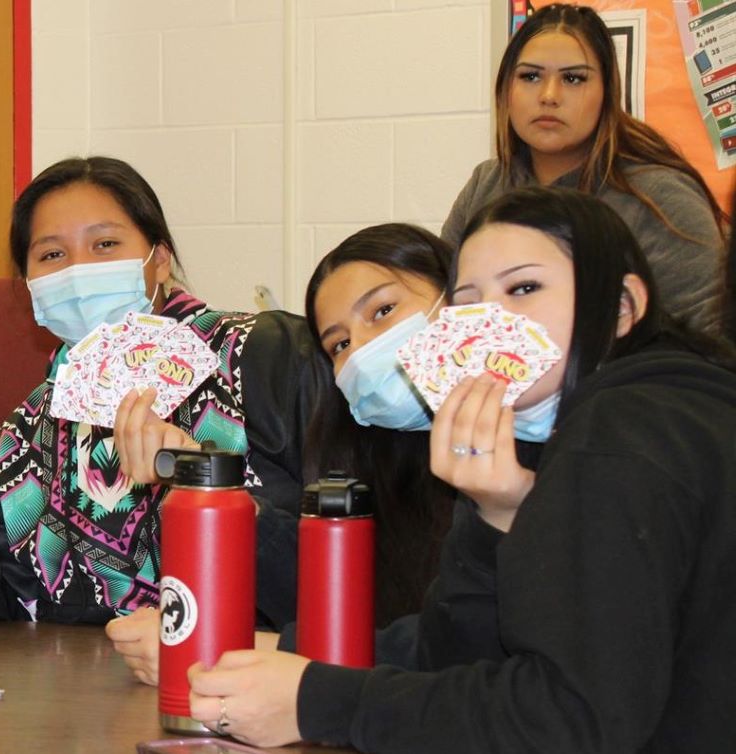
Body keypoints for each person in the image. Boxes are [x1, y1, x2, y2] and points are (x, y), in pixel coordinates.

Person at [180, 186, 736, 751]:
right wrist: (499, 515)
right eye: (469, 305)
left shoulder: (624, 428)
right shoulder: (566, 435)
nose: (490, 323)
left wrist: (318, 703)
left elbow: (569, 721)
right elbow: (457, 655)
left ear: (621, 308)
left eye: (523, 288)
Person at [0, 156, 323, 628]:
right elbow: (3, 635)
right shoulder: (19, 441)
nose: (79, 272)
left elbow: (351, 580)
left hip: (253, 683)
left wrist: (212, 491)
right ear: (30, 286)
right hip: (81, 695)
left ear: (159, 261)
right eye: (52, 255)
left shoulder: (267, 359)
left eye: (105, 244)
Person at [108, 225, 533, 683]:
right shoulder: (378, 466)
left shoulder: (538, 445)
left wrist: (222, 647)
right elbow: (336, 599)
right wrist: (205, 481)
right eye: (340, 344)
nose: (365, 350)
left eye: (383, 311)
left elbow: (457, 652)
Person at [442, 3, 727, 337]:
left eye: (574, 78)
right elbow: (439, 306)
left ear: (607, 93)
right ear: (506, 89)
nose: (549, 96)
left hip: (632, 385)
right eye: (530, 76)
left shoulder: (658, 194)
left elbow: (709, 340)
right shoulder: (486, 184)